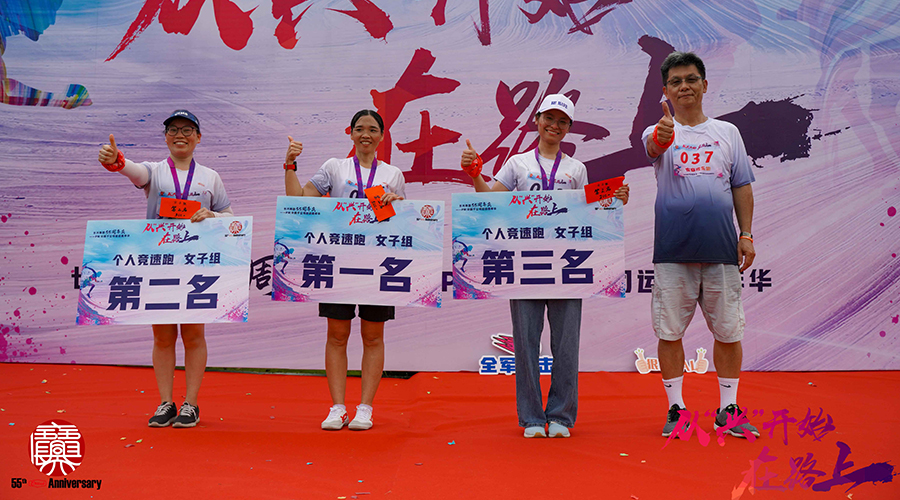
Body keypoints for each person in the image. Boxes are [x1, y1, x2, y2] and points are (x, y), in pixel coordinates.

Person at [460, 95, 630, 438]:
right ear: (536, 121)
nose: (554, 125)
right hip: (524, 265)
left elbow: (589, 212)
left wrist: (615, 200)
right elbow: (491, 202)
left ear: (569, 128)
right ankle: (532, 418)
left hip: (567, 266)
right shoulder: (517, 164)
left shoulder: (576, 169)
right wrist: (475, 174)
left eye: (562, 121)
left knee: (566, 343)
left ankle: (561, 416)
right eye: (549, 118)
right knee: (525, 342)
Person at [642, 52, 759, 438]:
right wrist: (663, 135)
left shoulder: (728, 133)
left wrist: (746, 234)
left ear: (705, 85)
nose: (684, 87)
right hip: (673, 251)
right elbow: (653, 147)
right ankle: (677, 409)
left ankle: (728, 410)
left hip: (721, 250)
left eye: (691, 79)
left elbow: (741, 185)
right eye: (675, 82)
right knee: (669, 332)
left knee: (729, 332)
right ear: (666, 91)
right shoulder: (658, 131)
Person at [98, 109, 233, 428]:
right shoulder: (155, 171)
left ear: (198, 137)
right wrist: (116, 161)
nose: (180, 135)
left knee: (194, 334)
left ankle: (191, 404)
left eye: (187, 130)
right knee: (162, 336)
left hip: (196, 265)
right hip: (158, 265)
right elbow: (132, 172)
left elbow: (230, 217)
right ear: (165, 137)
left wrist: (213, 216)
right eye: (173, 130)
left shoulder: (211, 177)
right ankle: (165, 402)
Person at [283, 109, 405, 431]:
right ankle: (337, 407)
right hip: (338, 263)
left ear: (382, 136)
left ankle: (365, 408)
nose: (366, 134)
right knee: (337, 335)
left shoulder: (392, 174)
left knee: (373, 336)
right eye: (360, 128)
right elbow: (299, 200)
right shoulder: (334, 168)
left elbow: (403, 224)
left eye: (373, 129)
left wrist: (396, 203)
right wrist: (290, 164)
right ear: (350, 133)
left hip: (376, 264)